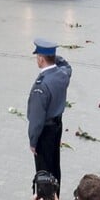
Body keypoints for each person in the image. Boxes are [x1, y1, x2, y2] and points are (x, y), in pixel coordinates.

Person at [28, 38, 71, 186]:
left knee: (44, 170)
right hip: (57, 126)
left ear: (40, 59)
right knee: (54, 165)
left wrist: (33, 141)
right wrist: (53, 58)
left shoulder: (41, 86)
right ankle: (55, 198)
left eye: (37, 57)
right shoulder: (62, 74)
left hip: (44, 131)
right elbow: (66, 65)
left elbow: (36, 119)